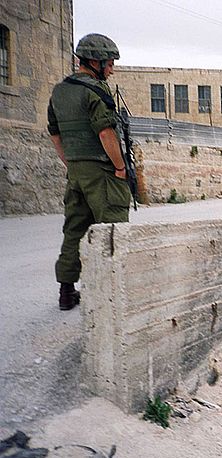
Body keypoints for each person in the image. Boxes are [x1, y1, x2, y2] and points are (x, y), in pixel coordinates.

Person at [47, 33, 131, 311]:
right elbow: (106, 132)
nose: (111, 68)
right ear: (95, 61)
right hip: (102, 171)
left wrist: (70, 164)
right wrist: (120, 167)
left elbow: (55, 134)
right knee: (112, 228)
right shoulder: (96, 91)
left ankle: (66, 292)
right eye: (109, 63)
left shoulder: (59, 91)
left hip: (76, 171)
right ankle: (111, 293)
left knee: (74, 228)